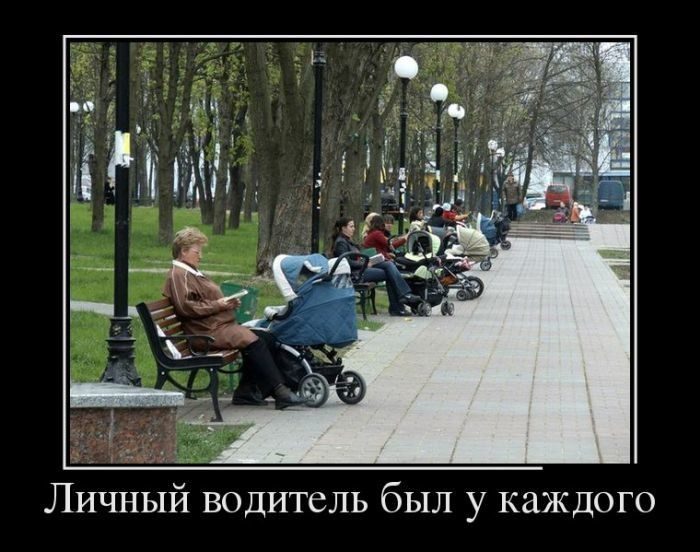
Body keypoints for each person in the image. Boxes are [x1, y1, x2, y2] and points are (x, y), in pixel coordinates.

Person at [162, 227, 307, 410]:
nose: (201, 256)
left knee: (267, 338)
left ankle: (248, 391)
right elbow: (186, 308)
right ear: (183, 251)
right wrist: (219, 305)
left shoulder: (189, 272)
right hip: (205, 332)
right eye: (197, 252)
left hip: (215, 327)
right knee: (254, 341)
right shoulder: (178, 275)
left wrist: (227, 304)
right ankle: (281, 392)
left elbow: (200, 302)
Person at [330, 217, 420, 316]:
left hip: (361, 268)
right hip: (355, 274)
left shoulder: (347, 240)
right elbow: (346, 262)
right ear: (343, 228)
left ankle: (401, 302)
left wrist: (367, 261)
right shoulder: (341, 242)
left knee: (389, 265)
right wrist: (364, 264)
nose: (354, 229)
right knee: (389, 272)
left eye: (354, 226)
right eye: (351, 226)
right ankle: (400, 303)